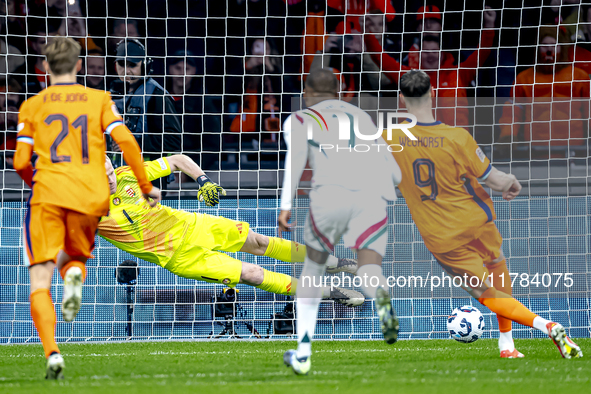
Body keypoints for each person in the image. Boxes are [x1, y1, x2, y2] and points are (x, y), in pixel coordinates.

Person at [383, 70, 583, 359]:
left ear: (401, 100)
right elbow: (495, 180)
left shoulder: (388, 139)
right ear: (433, 94)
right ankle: (507, 345)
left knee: (485, 294)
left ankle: (547, 325)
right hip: (478, 220)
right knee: (498, 265)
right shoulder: (457, 137)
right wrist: (511, 181)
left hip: (443, 236)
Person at [12, 37, 161, 379]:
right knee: (74, 258)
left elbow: (20, 160)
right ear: (79, 66)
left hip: (48, 195)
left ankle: (52, 353)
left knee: (39, 278)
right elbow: (126, 141)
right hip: (90, 197)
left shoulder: (32, 106)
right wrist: (146, 185)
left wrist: (35, 180)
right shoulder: (99, 99)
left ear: (46, 67)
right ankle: (74, 273)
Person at [98, 154, 362, 305]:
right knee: (253, 274)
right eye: (105, 175)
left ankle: (334, 262)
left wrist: (203, 181)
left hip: (194, 225)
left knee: (258, 242)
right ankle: (331, 293)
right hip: (182, 258)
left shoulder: (126, 175)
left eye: (111, 170)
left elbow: (178, 160)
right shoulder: (89, 212)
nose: (111, 177)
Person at [278, 68, 402, 375]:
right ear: (340, 89)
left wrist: (285, 206)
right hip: (371, 197)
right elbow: (395, 171)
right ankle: (382, 298)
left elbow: (295, 161)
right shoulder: (361, 117)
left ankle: (303, 355)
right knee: (370, 266)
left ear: (306, 90)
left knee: (312, 271)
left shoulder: (299, 119)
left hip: (329, 196)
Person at [364, 7, 497, 126]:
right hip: (415, 141)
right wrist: (366, 31)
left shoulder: (458, 73)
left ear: (442, 55)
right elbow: (379, 57)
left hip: (452, 140)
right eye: (426, 52)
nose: (430, 55)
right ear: (419, 55)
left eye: (434, 51)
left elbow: (482, 53)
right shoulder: (407, 75)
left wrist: (489, 25)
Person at [497, 25, 590, 157]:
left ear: (561, 47)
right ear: (537, 47)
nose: (549, 48)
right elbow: (512, 111)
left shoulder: (580, 77)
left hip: (573, 148)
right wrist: (508, 135)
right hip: (536, 150)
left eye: (554, 44)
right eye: (544, 44)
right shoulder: (524, 78)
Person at [109, 39, 182, 189]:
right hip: (119, 175)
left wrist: (132, 142)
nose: (126, 71)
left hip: (150, 177)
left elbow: (173, 140)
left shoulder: (157, 95)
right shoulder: (114, 92)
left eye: (132, 65)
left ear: (145, 65)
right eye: (122, 64)